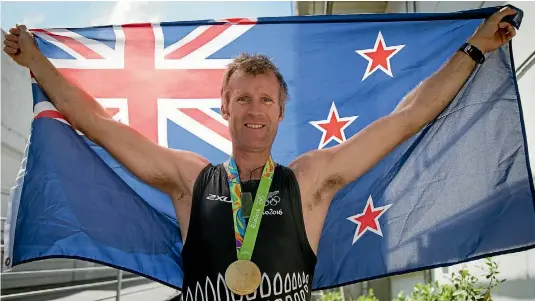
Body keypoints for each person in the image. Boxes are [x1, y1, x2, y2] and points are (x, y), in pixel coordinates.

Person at [3, 7, 517, 301]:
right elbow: (99, 126)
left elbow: (406, 118)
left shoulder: (310, 179)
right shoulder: (190, 178)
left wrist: (473, 49)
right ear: (224, 108)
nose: (254, 109)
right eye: (242, 98)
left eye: (265, 99)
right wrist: (39, 66)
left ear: (280, 109)